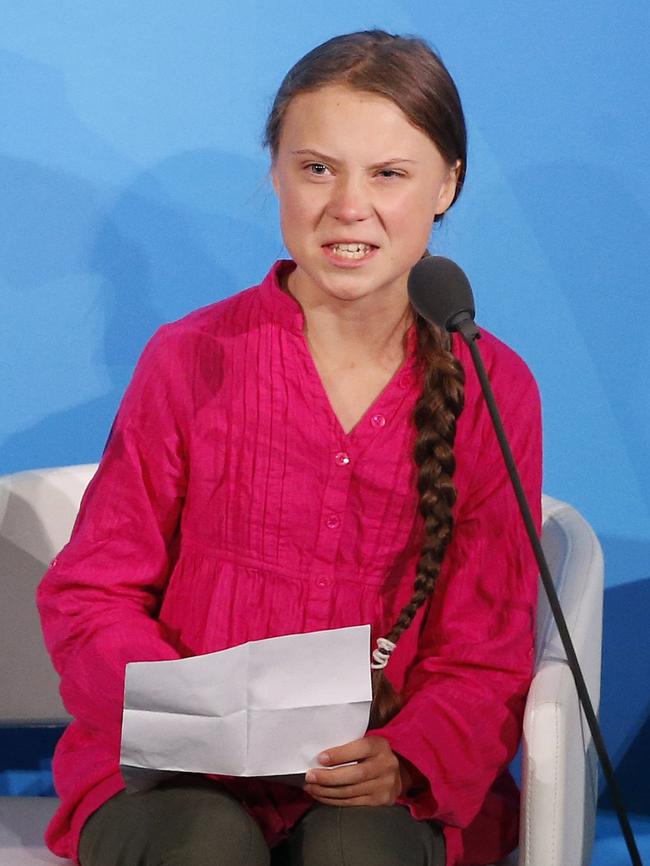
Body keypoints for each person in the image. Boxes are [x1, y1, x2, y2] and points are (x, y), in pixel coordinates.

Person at [37, 29, 542, 866]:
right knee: (205, 842)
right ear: (275, 173)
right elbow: (92, 591)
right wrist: (183, 716)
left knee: (356, 851)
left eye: (388, 174)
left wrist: (410, 755)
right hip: (179, 778)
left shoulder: (496, 389)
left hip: (377, 782)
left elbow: (486, 642)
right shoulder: (189, 356)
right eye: (317, 169)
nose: (349, 206)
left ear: (447, 184)